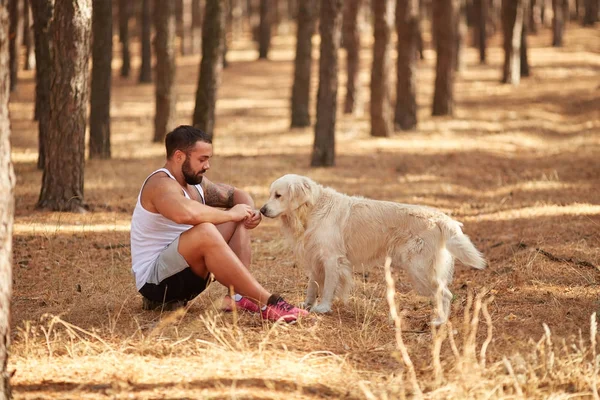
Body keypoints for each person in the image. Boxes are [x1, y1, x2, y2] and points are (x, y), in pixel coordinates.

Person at [130, 125, 308, 323]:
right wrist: (231, 214)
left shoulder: (195, 183)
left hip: (186, 273)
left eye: (208, 159)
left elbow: (236, 195)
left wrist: (247, 212)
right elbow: (185, 213)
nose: (207, 166)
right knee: (206, 230)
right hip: (156, 282)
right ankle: (270, 303)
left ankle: (238, 297)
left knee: (236, 216)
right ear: (179, 156)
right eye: (202, 159)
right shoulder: (160, 184)